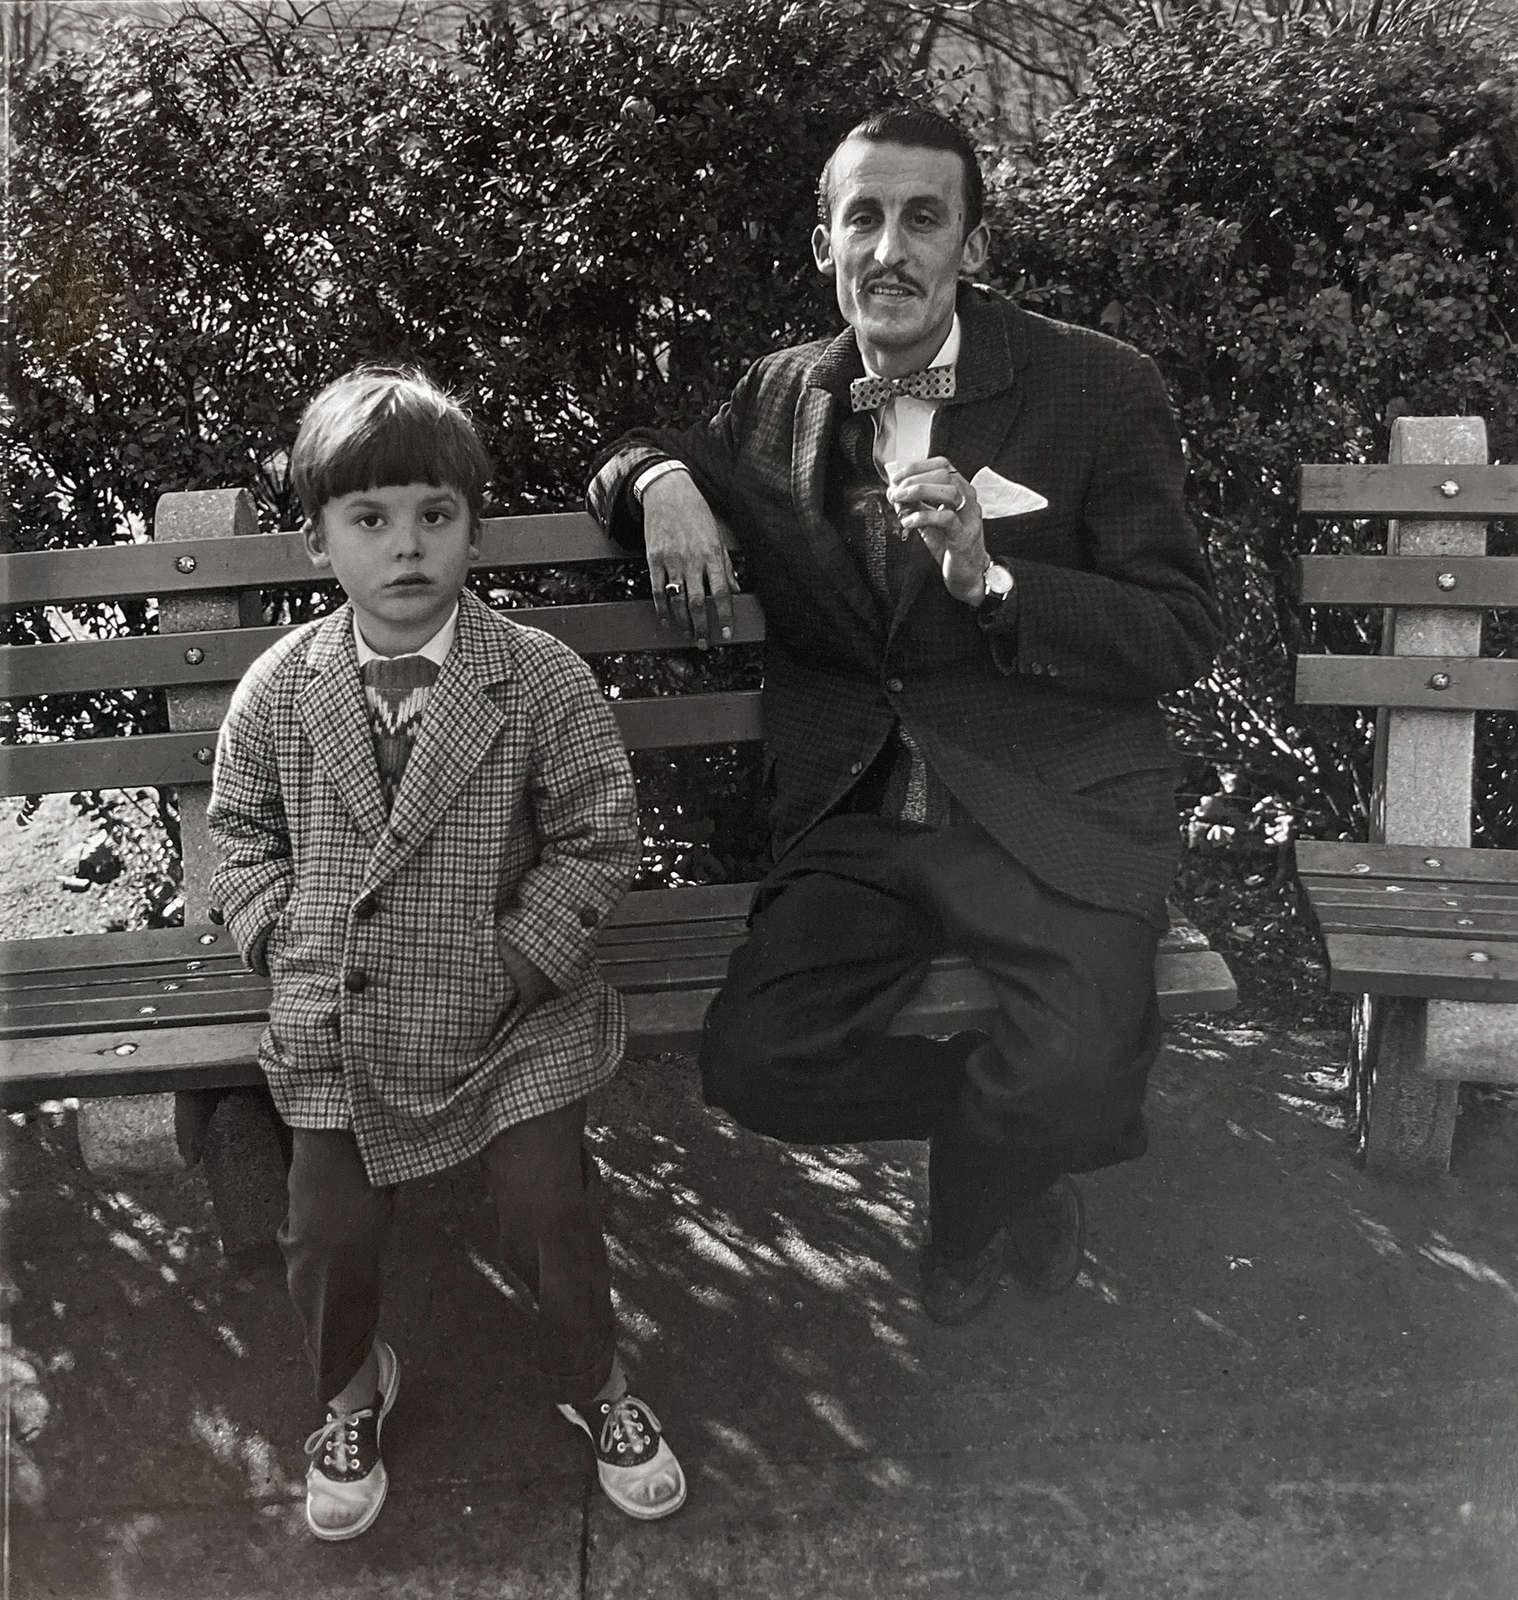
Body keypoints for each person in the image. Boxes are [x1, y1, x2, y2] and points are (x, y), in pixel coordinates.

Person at [587, 108, 1220, 1327]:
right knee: (754, 1058)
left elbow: (1177, 625)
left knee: (1084, 1065)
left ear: (972, 247)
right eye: (862, 218)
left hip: (1047, 797)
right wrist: (662, 483)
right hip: (861, 807)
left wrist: (995, 582)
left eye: (923, 218)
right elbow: (636, 448)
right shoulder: (784, 396)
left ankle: (976, 1202)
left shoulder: (1096, 386)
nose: (890, 248)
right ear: (825, 241)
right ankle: (1005, 1146)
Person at [208, 365, 686, 1540]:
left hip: (511, 1017)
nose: (406, 547)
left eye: (435, 516)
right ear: (320, 541)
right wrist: (282, 941)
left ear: (473, 525)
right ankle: (350, 1387)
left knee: (545, 1202)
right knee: (322, 1226)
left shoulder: (538, 679)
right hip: (343, 1012)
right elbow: (239, 839)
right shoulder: (280, 690)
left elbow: (595, 838)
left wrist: (520, 964)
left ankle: (596, 1379)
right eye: (369, 520)